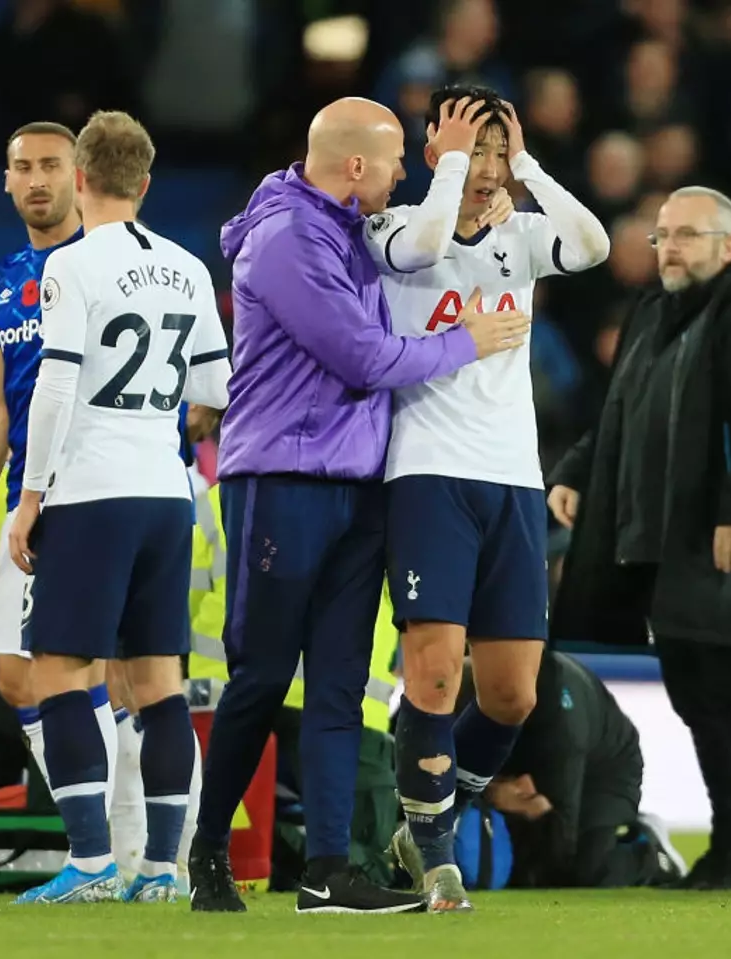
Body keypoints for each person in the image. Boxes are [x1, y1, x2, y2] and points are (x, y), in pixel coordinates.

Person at [188, 96, 527, 916]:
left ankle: (328, 870)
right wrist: (465, 344)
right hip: (286, 482)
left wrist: (482, 194)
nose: (403, 172)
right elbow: (362, 354)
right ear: (352, 167)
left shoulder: (345, 231)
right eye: (393, 161)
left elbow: (427, 245)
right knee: (264, 677)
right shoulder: (286, 240)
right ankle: (206, 853)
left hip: (358, 487)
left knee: (340, 686)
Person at [364, 86, 610, 911]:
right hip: (429, 471)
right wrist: (456, 165)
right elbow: (432, 237)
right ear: (432, 148)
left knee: (511, 694)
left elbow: (596, 244)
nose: (488, 168)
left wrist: (529, 166)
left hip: (514, 478)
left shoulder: (524, 237)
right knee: (433, 677)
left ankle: (428, 816)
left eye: (499, 151)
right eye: (473, 147)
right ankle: (435, 854)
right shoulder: (395, 227)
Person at [547, 186, 731, 894]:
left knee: (729, 683)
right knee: (695, 683)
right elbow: (619, 409)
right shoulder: (656, 311)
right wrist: (577, 470)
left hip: (719, 533)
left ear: (729, 246)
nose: (670, 247)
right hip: (663, 537)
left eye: (688, 235)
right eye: (662, 234)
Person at [9, 109, 231, 906]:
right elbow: (213, 386)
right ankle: (163, 868)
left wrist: (29, 499)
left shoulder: (74, 265)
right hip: (165, 490)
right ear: (144, 181)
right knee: (158, 681)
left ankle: (94, 863)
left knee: (60, 674)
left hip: (92, 490)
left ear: (77, 177)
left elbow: (57, 383)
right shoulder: (187, 265)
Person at [0, 122, 121, 815]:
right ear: (7, 182)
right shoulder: (5, 279)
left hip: (102, 493)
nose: (37, 179)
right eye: (24, 167)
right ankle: (98, 828)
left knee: (104, 676)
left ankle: (131, 842)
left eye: (51, 165)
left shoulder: (107, 262)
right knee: (17, 681)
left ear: (79, 176)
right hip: (26, 505)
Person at [451, 650, 687, 890]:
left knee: (584, 870)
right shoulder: (464, 699)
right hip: (527, 750)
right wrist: (491, 793)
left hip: (605, 769)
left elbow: (560, 840)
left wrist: (526, 806)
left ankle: (650, 854)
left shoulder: (560, 730)